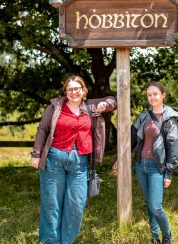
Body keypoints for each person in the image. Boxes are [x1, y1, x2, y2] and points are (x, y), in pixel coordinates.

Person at [30, 75, 117, 244]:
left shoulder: (91, 107)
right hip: (54, 159)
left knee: (76, 206)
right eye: (70, 89)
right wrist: (36, 154)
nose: (73, 92)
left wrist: (105, 104)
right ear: (65, 92)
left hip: (80, 163)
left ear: (84, 91)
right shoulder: (55, 107)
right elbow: (42, 129)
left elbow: (113, 100)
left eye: (77, 88)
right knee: (51, 205)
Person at [113, 81, 178, 244]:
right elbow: (130, 140)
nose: (152, 97)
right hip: (140, 165)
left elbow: (173, 149)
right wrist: (120, 159)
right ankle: (154, 238)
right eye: (149, 95)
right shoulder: (144, 117)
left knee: (155, 206)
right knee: (149, 204)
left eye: (155, 94)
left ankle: (167, 236)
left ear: (163, 95)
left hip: (157, 167)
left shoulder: (170, 120)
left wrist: (169, 172)